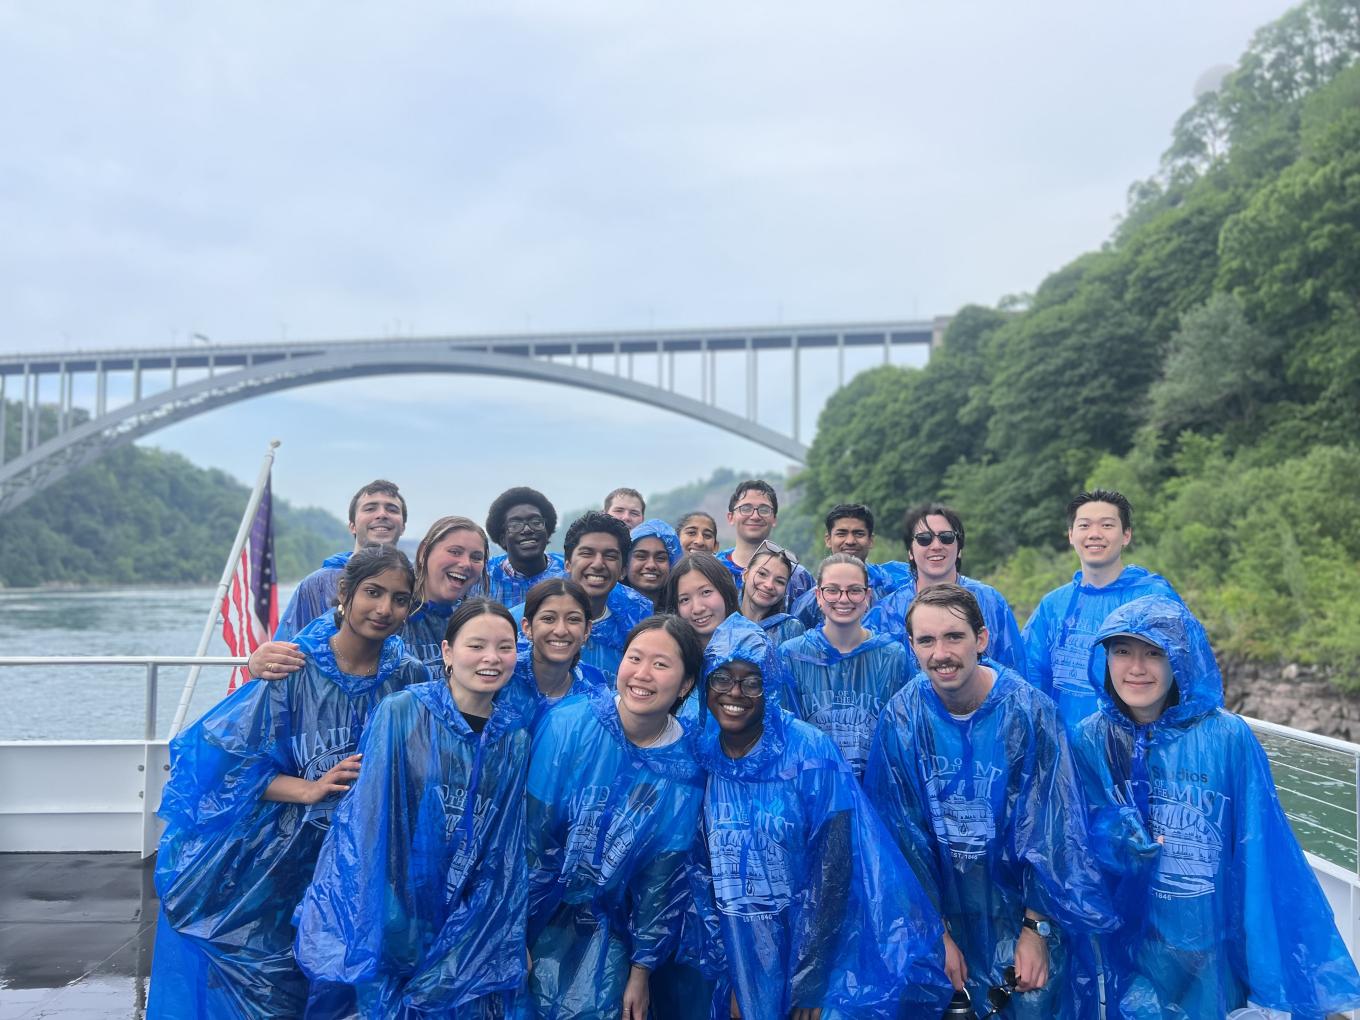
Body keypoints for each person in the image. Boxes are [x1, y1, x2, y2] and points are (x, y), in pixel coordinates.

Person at [150, 546, 427, 1018]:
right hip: (276, 861)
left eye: (399, 599)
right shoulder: (293, 666)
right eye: (373, 592)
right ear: (344, 593)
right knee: (273, 987)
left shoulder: (408, 676)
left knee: (344, 982)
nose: (384, 609)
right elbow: (221, 767)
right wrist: (309, 789)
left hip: (359, 859)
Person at [1070, 595, 1360, 1018]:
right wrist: (1113, 837)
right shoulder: (1090, 739)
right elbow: (1075, 839)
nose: (1136, 668)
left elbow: (1261, 853)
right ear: (1105, 658)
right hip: (1133, 944)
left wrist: (1268, 983)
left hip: (1212, 939)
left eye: (1154, 653)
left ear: (1180, 662)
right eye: (1122, 651)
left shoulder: (1227, 738)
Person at [864, 584, 1117, 1019]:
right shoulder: (902, 718)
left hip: (1023, 916)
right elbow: (900, 836)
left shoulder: (1029, 712)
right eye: (926, 640)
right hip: (941, 915)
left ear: (980, 639)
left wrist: (1036, 929)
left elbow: (1053, 830)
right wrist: (935, 935)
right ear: (912, 647)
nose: (940, 652)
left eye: (953, 637)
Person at [696, 613, 952, 1018]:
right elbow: (701, 874)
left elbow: (833, 871)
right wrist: (731, 976)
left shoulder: (809, 752)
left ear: (772, 687)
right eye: (722, 678)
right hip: (738, 952)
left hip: (812, 950)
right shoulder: (703, 752)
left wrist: (811, 978)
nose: (736, 692)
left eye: (752, 680)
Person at [295, 598, 534, 1018]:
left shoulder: (512, 737)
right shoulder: (403, 711)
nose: (491, 659)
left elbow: (506, 848)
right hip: (393, 904)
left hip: (465, 910)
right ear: (447, 652)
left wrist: (505, 931)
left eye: (505, 647)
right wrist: (384, 911)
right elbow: (367, 821)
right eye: (476, 645)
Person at [523, 615, 705, 1019]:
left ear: (687, 683)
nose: (642, 674)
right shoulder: (569, 725)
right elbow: (530, 840)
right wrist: (514, 931)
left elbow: (662, 882)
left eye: (661, 665)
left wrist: (641, 970)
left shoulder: (686, 770)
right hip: (535, 915)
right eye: (634, 658)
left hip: (613, 928)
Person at [247, 516, 488, 682]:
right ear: (424, 552)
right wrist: (258, 662)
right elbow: (299, 652)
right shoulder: (375, 613)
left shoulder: (472, 621)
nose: (465, 563)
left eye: (476, 557)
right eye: (454, 552)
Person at [1023, 489, 1181, 731]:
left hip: (1133, 745)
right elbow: (1030, 672)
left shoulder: (1152, 598)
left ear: (1126, 535)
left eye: (1107, 525)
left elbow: (1186, 674)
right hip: (1063, 751)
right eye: (1084, 525)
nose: (1095, 534)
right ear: (1070, 535)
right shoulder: (1054, 605)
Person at [779, 553, 908, 779]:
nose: (844, 599)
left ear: (867, 596)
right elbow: (785, 736)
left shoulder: (891, 656)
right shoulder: (792, 655)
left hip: (874, 789)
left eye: (854, 590)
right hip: (812, 789)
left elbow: (902, 737)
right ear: (818, 595)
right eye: (832, 590)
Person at [867, 502, 1028, 680]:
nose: (936, 545)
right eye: (924, 538)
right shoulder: (885, 614)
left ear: (959, 549)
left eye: (946, 537)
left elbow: (1014, 674)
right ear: (910, 552)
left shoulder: (990, 601)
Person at [275, 479, 407, 640]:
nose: (382, 514)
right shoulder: (316, 585)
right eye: (370, 508)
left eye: (392, 509)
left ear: (403, 527)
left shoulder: (414, 585)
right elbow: (285, 648)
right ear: (352, 526)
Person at [554, 511, 654, 680]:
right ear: (568, 564)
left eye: (610, 556)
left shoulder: (639, 623)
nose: (598, 564)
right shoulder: (529, 617)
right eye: (587, 553)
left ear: (623, 570)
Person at [791, 503, 911, 628]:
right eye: (841, 534)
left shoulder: (891, 587)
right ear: (828, 539)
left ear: (871, 540)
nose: (850, 541)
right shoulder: (807, 605)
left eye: (859, 534)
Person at [512, 577, 605, 730]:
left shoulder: (594, 688)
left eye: (573, 619)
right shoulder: (506, 677)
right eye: (548, 619)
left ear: (587, 630)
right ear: (527, 627)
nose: (561, 631)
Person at [715, 478, 814, 606]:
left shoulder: (798, 576)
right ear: (731, 517)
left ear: (774, 519)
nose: (755, 516)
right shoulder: (713, 570)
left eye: (764, 509)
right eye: (745, 508)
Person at [485, 486, 566, 608]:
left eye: (536, 522)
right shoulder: (484, 577)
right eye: (515, 525)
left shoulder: (569, 570)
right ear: (502, 538)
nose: (527, 530)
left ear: (547, 532)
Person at [736, 541, 805, 646]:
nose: (769, 585)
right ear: (745, 574)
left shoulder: (790, 629)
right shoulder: (721, 616)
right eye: (762, 574)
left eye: (779, 581)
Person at [626, 518, 683, 609]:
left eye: (660, 558)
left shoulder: (683, 614)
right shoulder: (604, 612)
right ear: (626, 563)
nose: (651, 565)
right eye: (641, 556)